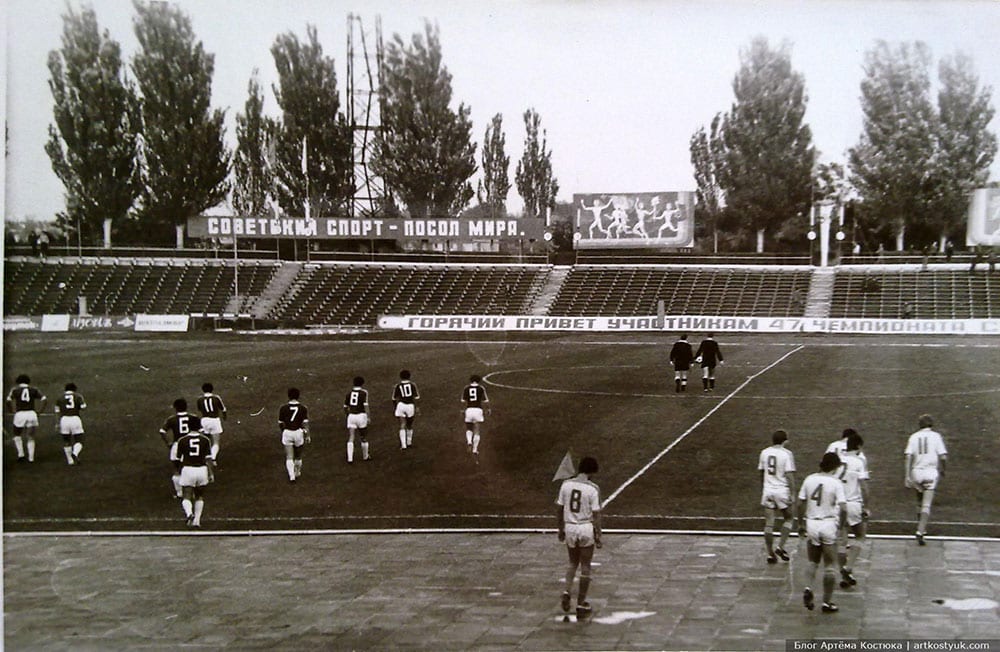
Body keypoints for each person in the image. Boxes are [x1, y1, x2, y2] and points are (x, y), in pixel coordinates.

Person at [797, 452, 847, 613]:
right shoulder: (836, 483)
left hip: (812, 524)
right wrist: (841, 527)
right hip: (828, 524)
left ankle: (808, 587)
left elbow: (800, 504)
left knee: (813, 561)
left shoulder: (809, 479)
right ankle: (827, 601)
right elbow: (844, 508)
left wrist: (801, 523)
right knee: (830, 566)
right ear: (834, 467)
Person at [556, 456, 603, 620]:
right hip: (585, 528)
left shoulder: (566, 485)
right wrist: (598, 535)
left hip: (569, 526)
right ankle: (581, 603)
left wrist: (560, 529)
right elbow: (596, 514)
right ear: (591, 471)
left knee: (572, 563)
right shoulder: (593, 488)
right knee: (585, 566)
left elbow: (559, 509)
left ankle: (566, 591)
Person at [904, 414, 948, 545]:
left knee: (919, 501)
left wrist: (907, 476)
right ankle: (920, 531)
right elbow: (943, 457)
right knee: (926, 504)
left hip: (916, 472)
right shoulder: (936, 436)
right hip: (930, 473)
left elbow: (908, 456)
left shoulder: (913, 437)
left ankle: (922, 528)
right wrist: (943, 469)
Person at [758, 429, 796, 565]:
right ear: (784, 441)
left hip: (768, 490)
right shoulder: (787, 454)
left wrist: (764, 486)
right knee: (789, 517)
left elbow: (761, 472)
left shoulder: (764, 452)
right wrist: (792, 493)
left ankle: (770, 553)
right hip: (782, 491)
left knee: (769, 523)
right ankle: (781, 546)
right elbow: (789, 475)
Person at [837, 432, 870, 588]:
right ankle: (848, 567)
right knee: (860, 536)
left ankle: (844, 575)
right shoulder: (858, 462)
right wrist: (867, 506)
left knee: (842, 540)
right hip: (854, 503)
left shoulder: (838, 461)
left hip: (839, 505)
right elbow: (864, 487)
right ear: (858, 447)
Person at [170, 421, 214, 528]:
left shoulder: (182, 440)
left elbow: (179, 459)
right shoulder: (205, 440)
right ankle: (197, 521)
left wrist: (180, 471)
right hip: (202, 470)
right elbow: (208, 459)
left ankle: (189, 513)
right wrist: (211, 473)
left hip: (188, 469)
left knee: (186, 496)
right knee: (199, 496)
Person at [159, 398, 202, 498]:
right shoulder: (193, 417)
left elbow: (162, 431)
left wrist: (169, 443)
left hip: (177, 444)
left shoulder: (171, 419)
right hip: (191, 443)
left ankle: (179, 493)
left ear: (175, 408)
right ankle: (195, 491)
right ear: (186, 406)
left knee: (176, 469)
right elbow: (202, 430)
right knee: (192, 466)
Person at [6, 374, 47, 463]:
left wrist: (11, 411)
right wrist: (40, 411)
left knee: (17, 434)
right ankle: (31, 458)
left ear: (18, 382)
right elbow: (44, 399)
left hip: (20, 414)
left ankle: (21, 455)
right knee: (30, 436)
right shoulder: (34, 389)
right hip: (31, 414)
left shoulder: (15, 390)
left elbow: (8, 400)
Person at [278, 387, 309, 482]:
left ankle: (291, 476)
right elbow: (305, 423)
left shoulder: (283, 408)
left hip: (287, 432)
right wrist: (307, 435)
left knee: (289, 456)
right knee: (298, 455)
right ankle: (297, 471)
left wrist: (283, 431)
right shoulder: (303, 408)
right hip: (298, 432)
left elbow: (280, 423)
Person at [55, 382, 87, 465]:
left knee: (66, 440)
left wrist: (57, 423)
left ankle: (70, 461)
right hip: (75, 418)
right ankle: (75, 453)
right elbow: (83, 407)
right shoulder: (78, 396)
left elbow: (57, 412)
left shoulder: (59, 398)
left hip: (64, 420)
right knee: (80, 439)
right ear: (74, 389)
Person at [196, 382, 227, 464]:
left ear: (203, 390)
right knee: (216, 442)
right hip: (214, 420)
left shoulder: (199, 399)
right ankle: (212, 459)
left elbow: (199, 410)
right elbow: (223, 409)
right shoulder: (216, 398)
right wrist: (224, 417)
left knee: (206, 440)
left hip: (204, 421)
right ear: (212, 389)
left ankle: (203, 457)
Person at [462, 374, 490, 460]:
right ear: (479, 381)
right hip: (478, 410)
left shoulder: (466, 388)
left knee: (468, 428)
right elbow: (486, 401)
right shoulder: (481, 388)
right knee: (477, 430)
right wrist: (488, 409)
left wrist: (462, 410)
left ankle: (469, 441)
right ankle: (475, 449)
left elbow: (463, 401)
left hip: (469, 410)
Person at [344, 377, 371, 463]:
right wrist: (368, 417)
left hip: (351, 416)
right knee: (363, 437)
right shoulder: (364, 392)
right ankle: (365, 456)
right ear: (362, 383)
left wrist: (348, 415)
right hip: (361, 416)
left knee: (351, 436)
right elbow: (366, 406)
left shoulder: (349, 393)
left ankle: (350, 458)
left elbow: (345, 407)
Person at [392, 370, 420, 450]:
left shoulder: (398, 385)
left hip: (401, 405)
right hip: (410, 406)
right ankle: (409, 442)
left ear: (400, 377)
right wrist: (417, 407)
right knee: (409, 425)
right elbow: (417, 397)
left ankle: (403, 445)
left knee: (402, 424)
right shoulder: (412, 385)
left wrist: (395, 407)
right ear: (409, 376)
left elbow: (393, 398)